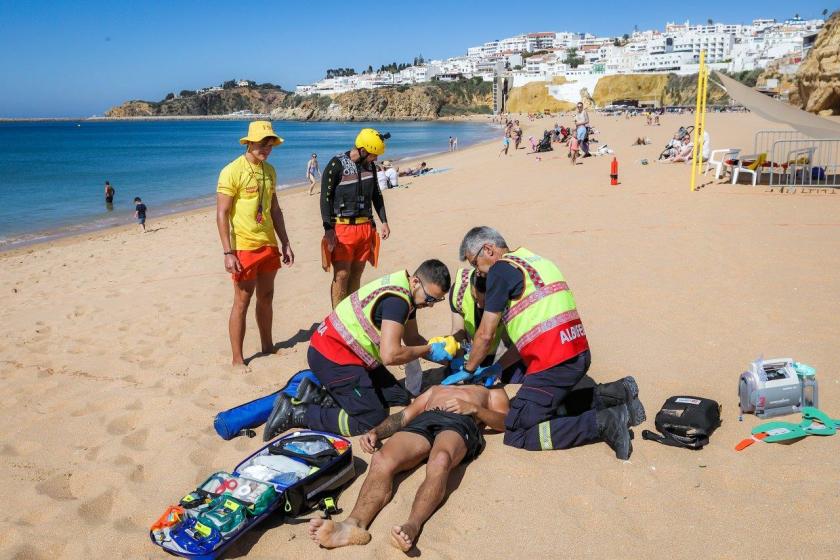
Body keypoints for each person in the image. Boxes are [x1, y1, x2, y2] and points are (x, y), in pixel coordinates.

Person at [454, 226, 645, 459]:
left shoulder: (499, 271)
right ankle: (614, 393)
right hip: (578, 354)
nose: (479, 272)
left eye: (475, 263)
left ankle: (603, 422)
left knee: (516, 431)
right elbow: (528, 336)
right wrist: (499, 367)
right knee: (544, 405)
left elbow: (485, 334)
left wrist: (468, 370)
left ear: (489, 249)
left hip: (553, 364)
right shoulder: (535, 260)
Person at [263, 260, 453, 440]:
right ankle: (298, 412)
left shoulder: (407, 292)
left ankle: (317, 396)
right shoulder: (398, 302)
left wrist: (450, 359)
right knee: (372, 418)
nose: (430, 305)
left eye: (436, 301)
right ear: (415, 281)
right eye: (429, 298)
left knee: (398, 396)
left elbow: (412, 339)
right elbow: (390, 355)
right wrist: (428, 349)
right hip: (332, 357)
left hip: (351, 353)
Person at [308, 383, 510, 552]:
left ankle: (412, 526)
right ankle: (352, 525)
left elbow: (504, 422)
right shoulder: (437, 388)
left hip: (460, 422)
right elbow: (404, 416)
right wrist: (377, 431)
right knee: (382, 459)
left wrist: (475, 409)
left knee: (440, 459)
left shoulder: (492, 391)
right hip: (424, 420)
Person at [216, 121, 295, 367]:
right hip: (244, 247)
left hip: (268, 244)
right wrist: (228, 252)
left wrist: (285, 242)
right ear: (249, 142)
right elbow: (222, 213)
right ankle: (237, 359)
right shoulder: (232, 170)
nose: (267, 148)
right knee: (243, 299)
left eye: (270, 144)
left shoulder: (270, 171)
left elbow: (275, 209)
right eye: (262, 143)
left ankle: (267, 346)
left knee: (267, 297)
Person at [320, 128, 391, 309]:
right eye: (373, 155)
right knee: (342, 274)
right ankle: (337, 317)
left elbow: (376, 195)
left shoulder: (371, 167)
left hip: (365, 228)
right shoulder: (337, 165)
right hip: (342, 229)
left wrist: (384, 221)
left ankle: (350, 314)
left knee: (356, 274)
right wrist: (328, 229)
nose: (375, 159)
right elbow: (325, 198)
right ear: (363, 150)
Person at [447, 267, 524, 384]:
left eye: (487, 302)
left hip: (503, 348)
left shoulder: (515, 297)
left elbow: (521, 343)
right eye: (476, 299)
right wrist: (462, 358)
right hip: (475, 350)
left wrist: (498, 367)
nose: (480, 306)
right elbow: (458, 329)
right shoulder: (460, 291)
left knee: (513, 378)